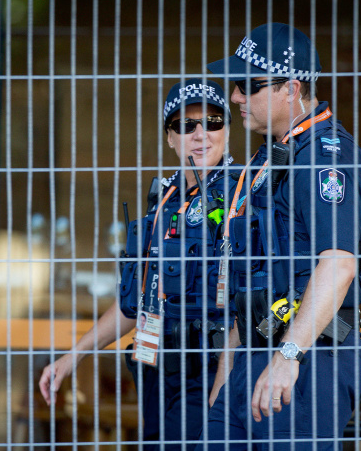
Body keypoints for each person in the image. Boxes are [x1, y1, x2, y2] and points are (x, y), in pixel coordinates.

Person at [199, 23, 361, 450]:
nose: (236, 96)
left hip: (305, 363)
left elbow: (338, 264)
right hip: (253, 361)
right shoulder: (275, 157)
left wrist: (288, 357)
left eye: (249, 85)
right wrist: (227, 378)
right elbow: (253, 275)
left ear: (291, 88)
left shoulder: (324, 158)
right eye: (234, 84)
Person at [38, 79, 240, 449]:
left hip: (214, 379)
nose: (201, 134)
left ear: (227, 129)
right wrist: (73, 356)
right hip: (158, 378)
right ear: (169, 137)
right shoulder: (162, 201)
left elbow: (255, 301)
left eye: (212, 121)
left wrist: (221, 395)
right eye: (185, 125)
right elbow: (137, 302)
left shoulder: (248, 195)